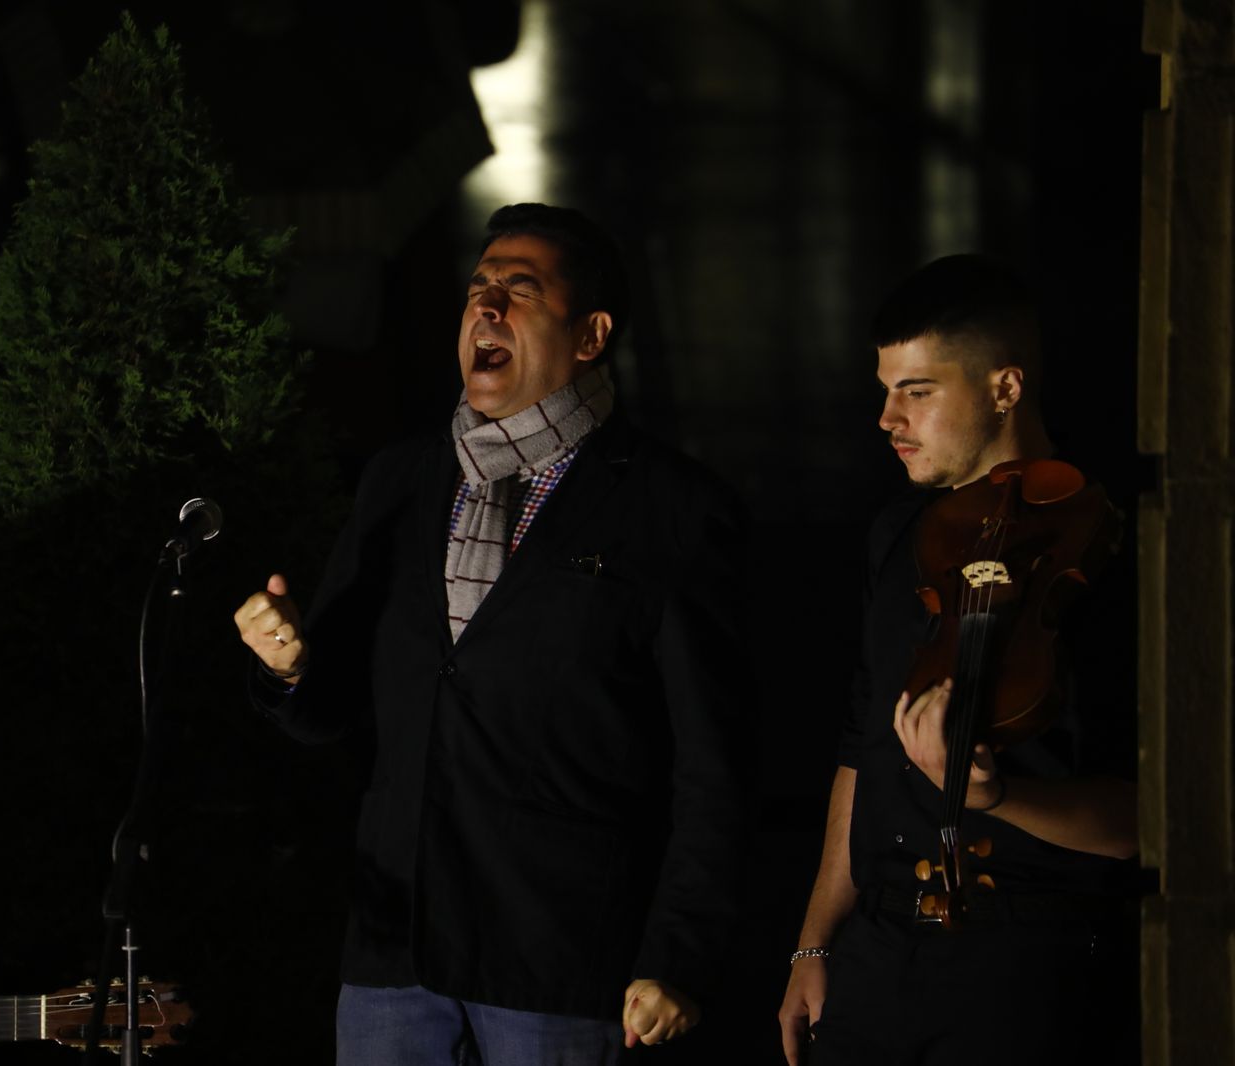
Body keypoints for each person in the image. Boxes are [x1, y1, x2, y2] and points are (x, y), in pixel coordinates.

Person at [234, 203, 748, 1064]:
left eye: (520, 290)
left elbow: (715, 765)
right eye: (479, 289)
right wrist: (288, 665)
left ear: (591, 336)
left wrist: (679, 955)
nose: (488, 308)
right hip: (392, 951)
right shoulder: (401, 481)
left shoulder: (672, 509)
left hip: (559, 966)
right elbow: (331, 710)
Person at [776, 255, 1138, 1066]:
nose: (887, 418)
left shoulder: (1102, 552)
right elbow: (861, 745)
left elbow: (1145, 823)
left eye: (918, 390)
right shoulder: (899, 534)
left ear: (1005, 389)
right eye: (885, 388)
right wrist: (813, 945)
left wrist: (996, 798)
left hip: (1021, 963)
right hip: (875, 951)